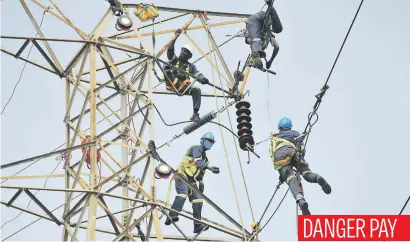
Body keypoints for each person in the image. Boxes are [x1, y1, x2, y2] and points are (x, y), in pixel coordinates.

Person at [269, 117, 332, 215]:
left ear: (279, 127)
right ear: (290, 127)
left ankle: (300, 200)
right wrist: (300, 159)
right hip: (293, 151)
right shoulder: (295, 134)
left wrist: (283, 176)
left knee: (290, 178)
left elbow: (274, 154)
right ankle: (317, 178)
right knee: (306, 173)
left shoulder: (275, 137)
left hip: (280, 156)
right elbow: (302, 149)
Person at [165, 132, 220, 233]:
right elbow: (198, 163)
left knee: (198, 200)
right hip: (182, 175)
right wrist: (210, 167)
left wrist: (201, 187)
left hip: (191, 182)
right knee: (182, 194)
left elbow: (200, 174)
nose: (210, 143)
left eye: (212, 142)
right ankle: (171, 215)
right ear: (202, 140)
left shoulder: (205, 159)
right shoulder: (196, 148)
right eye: (208, 141)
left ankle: (197, 225)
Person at [163, 29, 210, 122]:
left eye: (185, 52)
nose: (182, 53)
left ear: (189, 56)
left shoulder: (191, 66)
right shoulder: (175, 60)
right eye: (182, 51)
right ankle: (169, 75)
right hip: (171, 82)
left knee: (197, 90)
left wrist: (203, 79)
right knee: (167, 67)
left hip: (183, 87)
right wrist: (175, 37)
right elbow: (170, 50)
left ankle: (195, 114)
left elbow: (197, 74)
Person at [245, 0, 283, 70]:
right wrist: (270, 61)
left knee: (278, 29)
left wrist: (270, 62)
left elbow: (277, 47)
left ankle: (270, 8)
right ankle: (270, 8)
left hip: (260, 24)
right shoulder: (258, 37)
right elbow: (276, 47)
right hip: (257, 21)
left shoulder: (267, 36)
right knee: (256, 39)